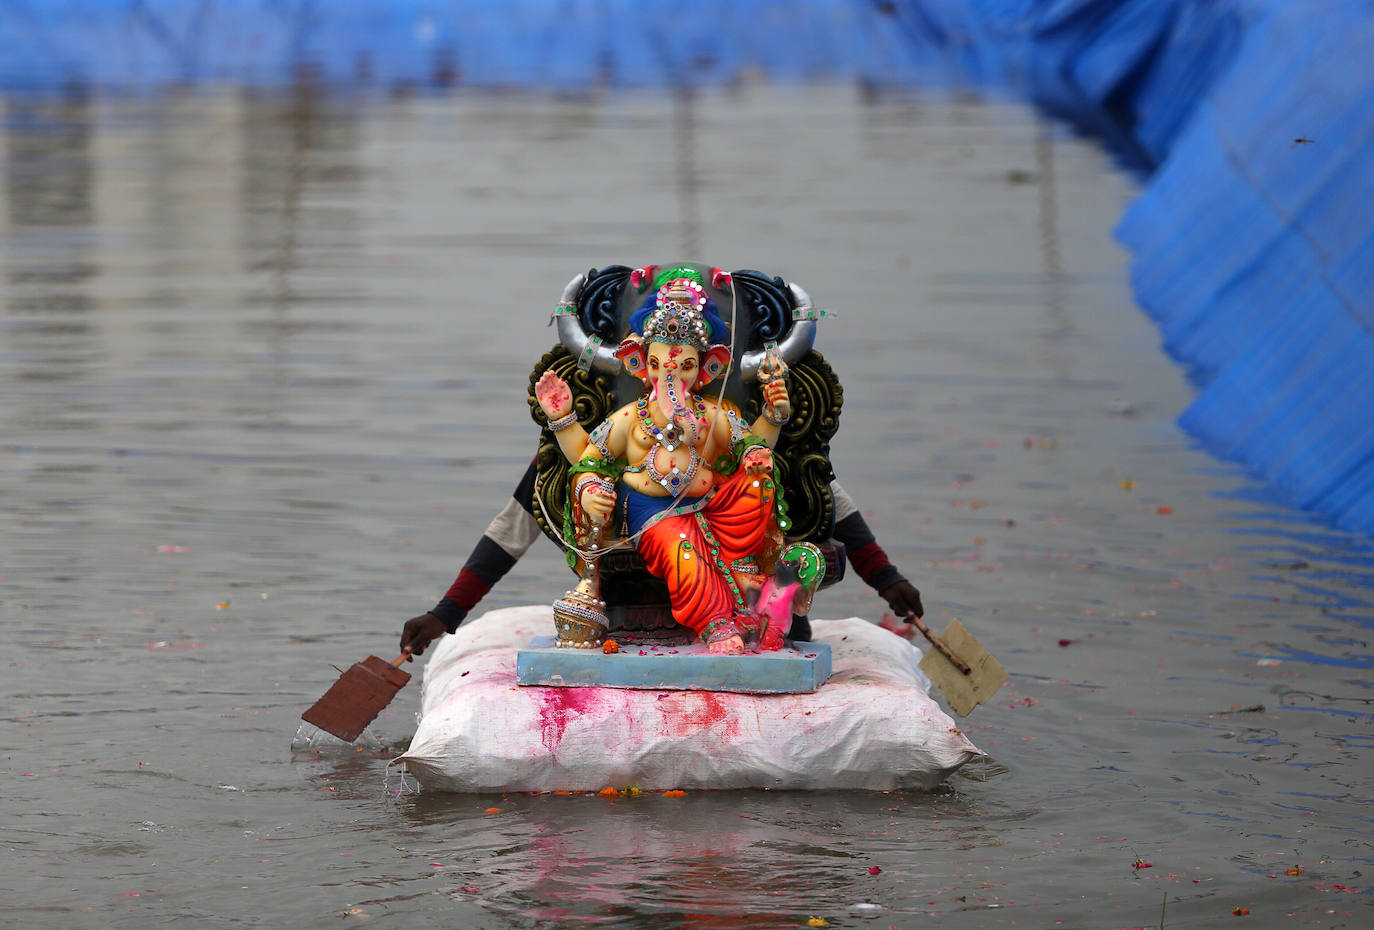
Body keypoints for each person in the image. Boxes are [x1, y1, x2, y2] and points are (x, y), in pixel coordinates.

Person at [399, 458, 924, 658]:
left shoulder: (729, 429)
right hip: (633, 590)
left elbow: (831, 502)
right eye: (658, 363)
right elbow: (514, 528)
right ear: (638, 364)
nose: (671, 379)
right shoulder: (606, 436)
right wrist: (446, 614)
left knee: (809, 554)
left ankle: (772, 626)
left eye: (686, 363)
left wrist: (885, 577)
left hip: (739, 580)